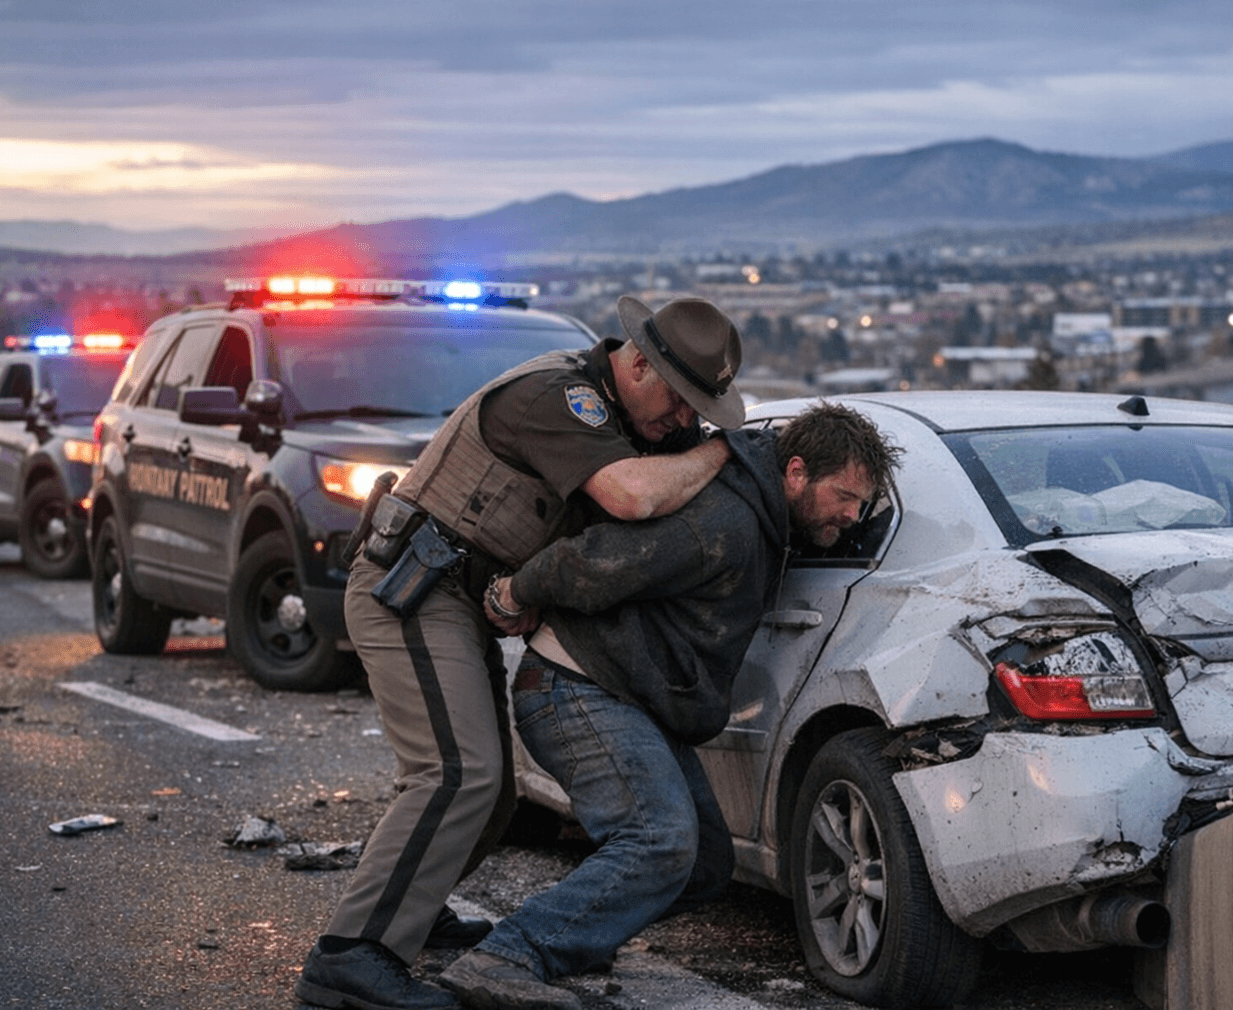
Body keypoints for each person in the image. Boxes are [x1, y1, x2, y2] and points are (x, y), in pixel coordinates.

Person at [296, 295, 749, 1010]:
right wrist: (724, 449)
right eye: (683, 400)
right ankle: (351, 959)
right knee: (458, 774)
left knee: (493, 793)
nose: (686, 420)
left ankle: (412, 909)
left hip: (454, 598)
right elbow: (630, 498)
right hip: (411, 588)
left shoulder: (619, 411)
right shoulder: (562, 397)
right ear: (637, 364)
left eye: (702, 409)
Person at [438, 402, 903, 1010]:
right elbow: (597, 558)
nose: (852, 514)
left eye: (861, 504)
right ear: (794, 472)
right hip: (574, 687)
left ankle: (574, 932)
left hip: (630, 699)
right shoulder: (727, 520)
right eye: (844, 496)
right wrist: (510, 592)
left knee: (704, 862)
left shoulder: (764, 519)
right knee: (659, 841)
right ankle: (512, 954)